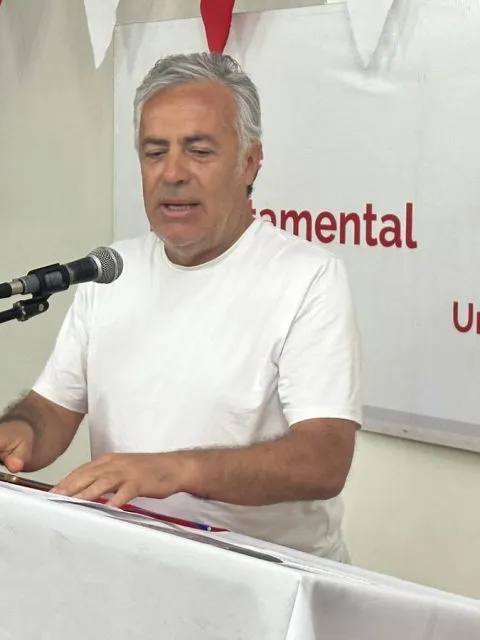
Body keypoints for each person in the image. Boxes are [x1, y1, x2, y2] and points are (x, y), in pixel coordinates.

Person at [0, 53, 361, 561]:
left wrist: (175, 470)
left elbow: (323, 460)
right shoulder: (111, 271)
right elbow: (51, 411)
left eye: (199, 151)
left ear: (249, 162)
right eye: (155, 152)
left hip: (266, 579)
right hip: (131, 561)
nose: (172, 173)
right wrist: (19, 433)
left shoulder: (308, 278)